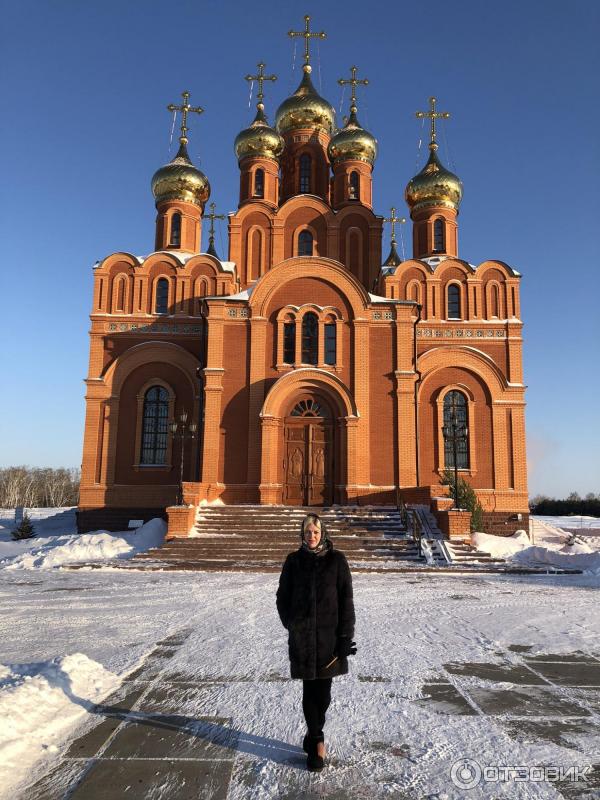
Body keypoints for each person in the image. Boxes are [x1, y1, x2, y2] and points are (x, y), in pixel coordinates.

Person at [276, 512, 357, 772]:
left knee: (324, 694)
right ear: (302, 534)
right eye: (308, 532)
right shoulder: (293, 561)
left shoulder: (337, 561)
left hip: (329, 641)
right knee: (309, 692)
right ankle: (317, 740)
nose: (311, 536)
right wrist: (292, 623)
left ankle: (312, 734)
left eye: (316, 532)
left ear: (323, 534)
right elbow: (282, 597)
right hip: (303, 639)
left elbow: (346, 600)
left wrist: (345, 637)